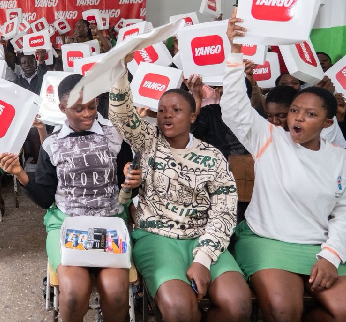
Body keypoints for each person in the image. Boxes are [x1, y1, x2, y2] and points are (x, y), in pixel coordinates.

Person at [222, 11, 346, 322]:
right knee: (284, 311)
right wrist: (235, 50)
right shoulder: (270, 139)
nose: (297, 117)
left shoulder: (339, 157)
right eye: (295, 110)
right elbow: (233, 109)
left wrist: (331, 256)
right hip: (267, 241)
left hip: (318, 246)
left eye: (310, 114)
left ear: (327, 122)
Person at [108, 54, 252, 322]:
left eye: (176, 110)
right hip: (156, 237)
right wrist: (119, 69)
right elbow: (122, 115)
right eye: (162, 110)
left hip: (204, 237)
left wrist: (204, 259)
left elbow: (224, 212)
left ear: (193, 114)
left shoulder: (212, 156)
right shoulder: (148, 140)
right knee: (179, 309)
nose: (166, 116)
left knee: (239, 306)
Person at [0, 74, 136, 322]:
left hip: (109, 223)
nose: (87, 114)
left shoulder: (114, 137)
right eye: (77, 108)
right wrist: (20, 174)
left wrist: (131, 182)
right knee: (72, 295)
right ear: (62, 108)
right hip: (67, 224)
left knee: (116, 295)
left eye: (92, 106)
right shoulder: (52, 145)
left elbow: (127, 188)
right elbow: (45, 198)